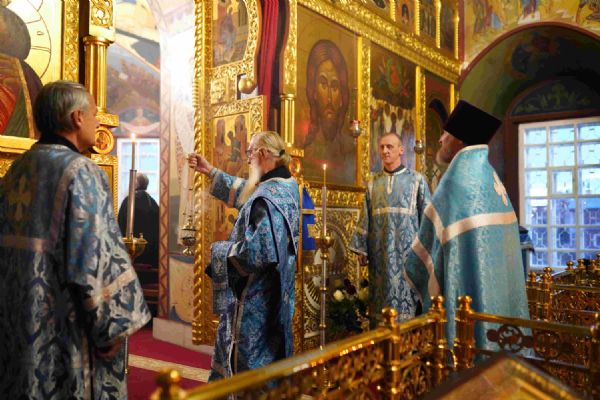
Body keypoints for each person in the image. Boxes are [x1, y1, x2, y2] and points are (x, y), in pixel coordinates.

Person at [0, 80, 150, 398]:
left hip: (17, 323)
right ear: (77, 117)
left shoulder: (17, 171)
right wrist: (112, 326)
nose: (98, 122)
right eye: (94, 114)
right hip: (65, 331)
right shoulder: (80, 171)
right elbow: (94, 257)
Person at [405, 100, 529, 348]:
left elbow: (420, 258)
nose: (440, 139)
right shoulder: (490, 178)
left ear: (459, 141)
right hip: (500, 306)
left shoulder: (455, 182)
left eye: (446, 134)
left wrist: (411, 266)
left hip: (468, 310)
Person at [188, 131, 300, 381]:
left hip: (255, 297)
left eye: (250, 152)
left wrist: (219, 252)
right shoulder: (286, 186)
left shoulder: (269, 196)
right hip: (277, 293)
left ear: (263, 153)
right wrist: (211, 171)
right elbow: (248, 194)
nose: (247, 158)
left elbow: (258, 251)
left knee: (249, 367)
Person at [350, 132, 431, 326]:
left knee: (408, 314)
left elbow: (428, 217)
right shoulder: (373, 182)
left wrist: (427, 252)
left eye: (390, 147)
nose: (385, 151)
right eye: (382, 147)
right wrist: (361, 248)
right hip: (380, 257)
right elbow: (365, 215)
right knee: (380, 309)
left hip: (409, 258)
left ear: (401, 150)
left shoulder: (417, 180)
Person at [304, 39, 355, 184]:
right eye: (323, 84)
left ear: (342, 97)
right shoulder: (307, 149)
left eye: (335, 87)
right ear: (314, 92)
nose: (330, 98)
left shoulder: (349, 148)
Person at [118, 172, 159, 268]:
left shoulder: (129, 201)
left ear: (135, 184)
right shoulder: (153, 203)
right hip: (151, 253)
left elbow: (120, 225)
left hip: (132, 250)